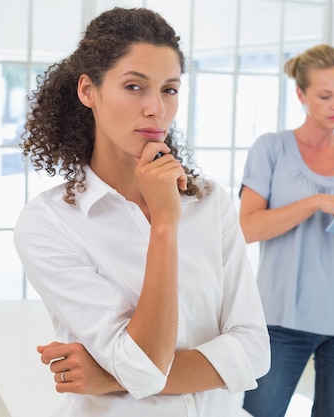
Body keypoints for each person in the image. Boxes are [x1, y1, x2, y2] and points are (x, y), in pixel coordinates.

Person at [13, 7, 270, 417]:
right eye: (134, 86)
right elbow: (146, 368)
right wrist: (165, 223)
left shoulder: (210, 202)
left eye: (169, 89)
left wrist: (114, 375)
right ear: (87, 91)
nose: (156, 108)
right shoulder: (49, 224)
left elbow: (255, 350)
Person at [239, 44, 334, 417]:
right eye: (324, 96)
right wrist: (314, 202)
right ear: (301, 94)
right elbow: (247, 227)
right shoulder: (271, 149)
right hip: (280, 319)